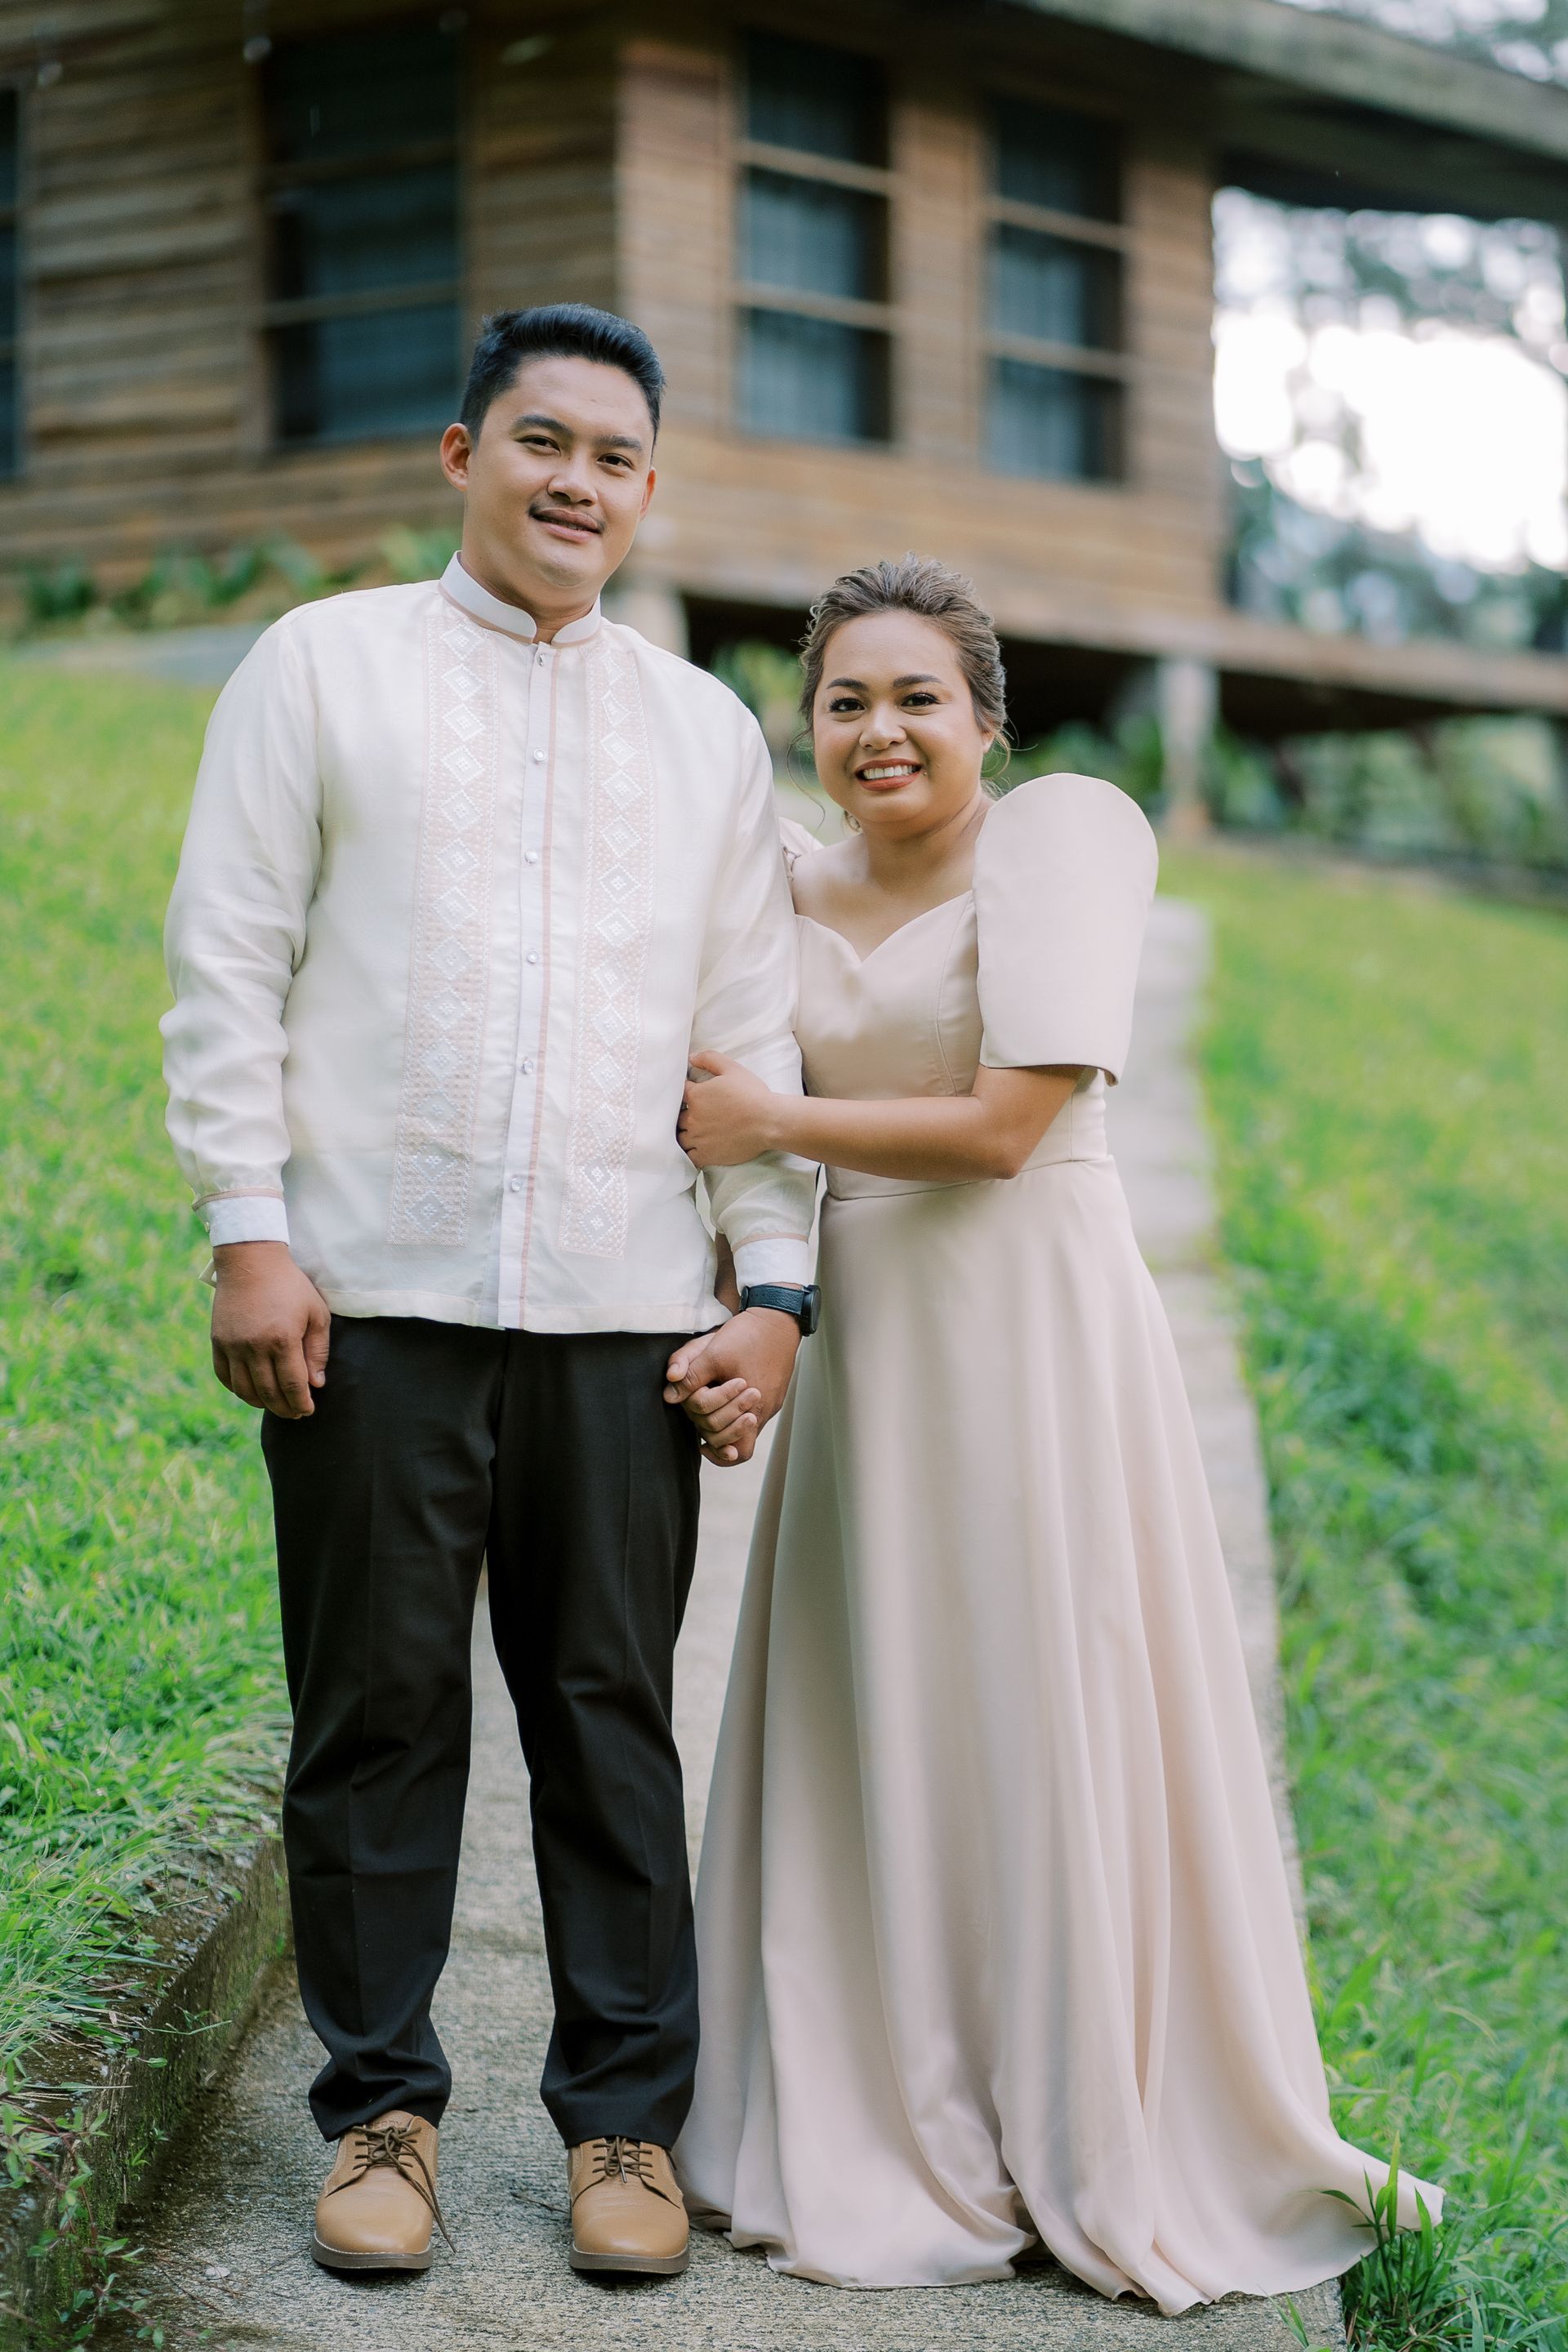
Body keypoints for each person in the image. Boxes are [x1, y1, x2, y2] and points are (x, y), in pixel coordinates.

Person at [669, 555, 1440, 2310]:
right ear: (810, 727)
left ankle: (1081, 2109)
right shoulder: (780, 884)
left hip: (1030, 1327)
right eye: (845, 701)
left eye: (917, 698)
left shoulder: (1064, 840)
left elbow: (1011, 1123)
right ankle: (887, 2091)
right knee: (890, 1694)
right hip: (876, 1349)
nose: (879, 730)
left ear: (989, 722)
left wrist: (771, 1117)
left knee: (1041, 1685)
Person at [161, 303, 819, 2282]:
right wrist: (248, 1228)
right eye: (543, 442)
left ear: (648, 489)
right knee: (374, 1717)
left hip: (627, 1312)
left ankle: (625, 2127)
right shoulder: (322, 666)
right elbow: (228, 958)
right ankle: (379, 2109)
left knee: (611, 1722)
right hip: (370, 1296)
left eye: (615, 459)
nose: (577, 484)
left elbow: (749, 1023)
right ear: (463, 454)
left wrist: (776, 1285)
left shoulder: (702, 730)